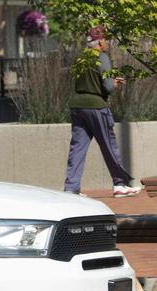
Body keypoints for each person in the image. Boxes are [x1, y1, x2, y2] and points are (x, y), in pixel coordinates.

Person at [65, 25, 141, 198]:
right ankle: (120, 184)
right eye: (106, 40)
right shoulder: (102, 58)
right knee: (109, 146)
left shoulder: (80, 59)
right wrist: (115, 83)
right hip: (96, 107)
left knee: (77, 148)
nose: (108, 43)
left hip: (77, 106)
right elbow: (107, 86)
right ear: (99, 43)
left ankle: (71, 188)